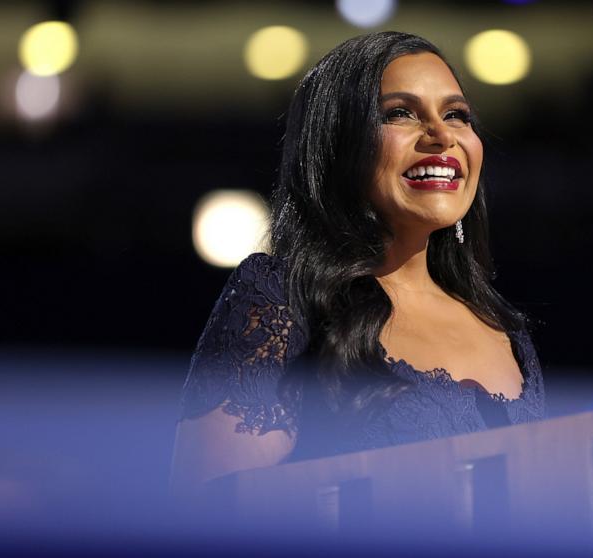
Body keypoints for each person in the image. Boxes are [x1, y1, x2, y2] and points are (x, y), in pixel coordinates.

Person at [169, 32, 546, 489]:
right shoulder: (282, 299)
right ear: (339, 144)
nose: (442, 135)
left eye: (456, 115)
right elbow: (210, 507)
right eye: (400, 113)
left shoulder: (503, 327)